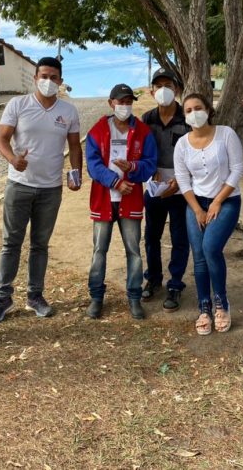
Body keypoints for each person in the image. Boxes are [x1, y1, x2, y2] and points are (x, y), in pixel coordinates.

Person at [0, 57, 83, 324]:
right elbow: (2, 139)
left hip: (51, 189)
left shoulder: (69, 112)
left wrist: (76, 175)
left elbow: (75, 146)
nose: (48, 81)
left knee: (40, 244)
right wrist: (13, 159)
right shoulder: (18, 105)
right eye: (43, 76)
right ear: (35, 77)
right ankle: (2, 297)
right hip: (19, 185)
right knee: (10, 244)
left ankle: (35, 296)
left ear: (60, 81)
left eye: (53, 77)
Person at [84, 84, 157, 319]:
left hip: (131, 200)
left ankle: (134, 297)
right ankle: (96, 297)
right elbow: (93, 165)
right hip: (104, 199)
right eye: (120, 102)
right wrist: (115, 182)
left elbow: (150, 163)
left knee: (134, 251)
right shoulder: (97, 131)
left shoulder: (143, 132)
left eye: (128, 102)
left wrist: (133, 168)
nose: (124, 106)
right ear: (111, 103)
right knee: (99, 251)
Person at [174, 93, 243, 335]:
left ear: (208, 109)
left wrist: (216, 203)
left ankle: (221, 304)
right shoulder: (182, 144)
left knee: (211, 247)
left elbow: (237, 170)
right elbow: (183, 179)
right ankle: (204, 307)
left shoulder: (226, 134)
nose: (194, 113)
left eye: (198, 107)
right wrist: (196, 209)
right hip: (195, 202)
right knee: (199, 255)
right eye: (188, 110)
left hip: (226, 201)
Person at [140, 68, 191, 312]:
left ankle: (175, 284)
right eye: (158, 85)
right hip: (155, 187)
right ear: (152, 91)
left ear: (177, 89)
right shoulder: (147, 119)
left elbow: (198, 152)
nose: (163, 90)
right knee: (151, 235)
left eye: (168, 85)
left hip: (182, 190)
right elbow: (139, 151)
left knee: (180, 237)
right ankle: (153, 278)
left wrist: (181, 181)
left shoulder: (188, 117)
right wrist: (150, 171)